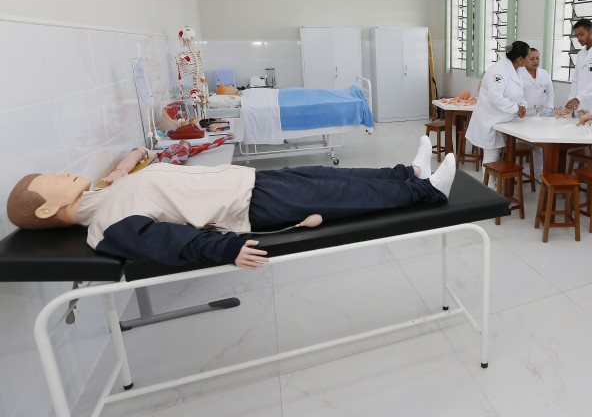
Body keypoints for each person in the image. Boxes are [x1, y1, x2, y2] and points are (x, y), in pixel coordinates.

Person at [7, 137, 455, 269]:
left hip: (247, 180)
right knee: (340, 194)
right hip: (248, 205)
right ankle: (428, 191)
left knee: (331, 175)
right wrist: (223, 250)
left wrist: (128, 162)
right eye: (53, 180)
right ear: (46, 210)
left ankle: (406, 173)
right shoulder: (106, 224)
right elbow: (163, 242)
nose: (65, 172)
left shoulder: (105, 193)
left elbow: (132, 160)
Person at [465, 41, 529, 189]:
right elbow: (496, 98)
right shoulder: (498, 71)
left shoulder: (517, 70)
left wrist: (523, 106)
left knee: (496, 153)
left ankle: (493, 186)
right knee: (491, 155)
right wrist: (516, 108)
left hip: (503, 119)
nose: (529, 59)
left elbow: (520, 93)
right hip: (490, 119)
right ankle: (488, 188)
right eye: (528, 56)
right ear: (520, 58)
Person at [517, 48, 554, 179]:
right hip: (524, 116)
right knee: (519, 146)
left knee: (540, 146)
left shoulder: (544, 73)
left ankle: (539, 174)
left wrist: (549, 108)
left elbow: (550, 92)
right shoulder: (518, 73)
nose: (535, 61)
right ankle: (516, 173)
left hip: (542, 115)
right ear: (525, 59)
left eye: (537, 58)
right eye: (532, 58)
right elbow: (516, 93)